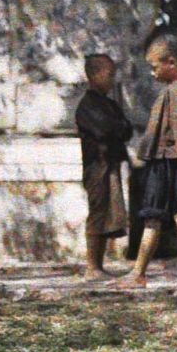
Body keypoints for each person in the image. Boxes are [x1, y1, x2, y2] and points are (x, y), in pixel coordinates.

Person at [125, 37, 177, 288]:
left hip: (167, 162)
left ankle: (138, 272)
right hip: (163, 161)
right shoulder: (171, 91)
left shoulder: (176, 92)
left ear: (171, 63)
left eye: (155, 67)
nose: (152, 73)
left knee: (154, 217)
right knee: (159, 216)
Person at [74, 52, 134, 279]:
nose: (111, 80)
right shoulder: (87, 105)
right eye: (108, 75)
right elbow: (106, 130)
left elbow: (125, 129)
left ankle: (99, 264)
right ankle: (92, 266)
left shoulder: (108, 103)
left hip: (111, 162)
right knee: (98, 212)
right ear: (94, 75)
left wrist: (117, 127)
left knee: (109, 213)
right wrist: (117, 127)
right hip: (96, 165)